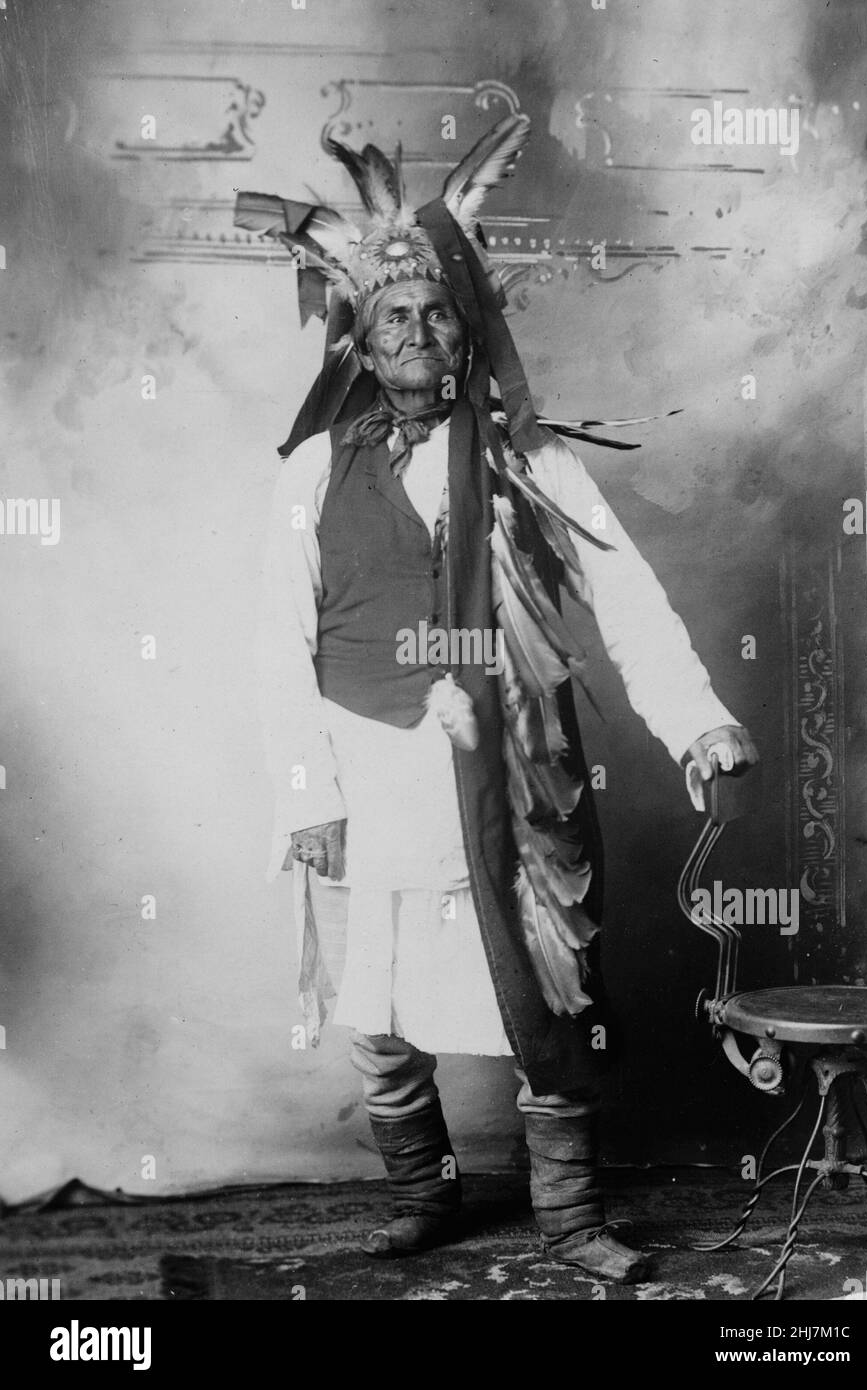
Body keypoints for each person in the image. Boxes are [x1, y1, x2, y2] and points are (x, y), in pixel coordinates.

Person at [240, 114, 758, 1284]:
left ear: (468, 335)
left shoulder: (536, 461)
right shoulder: (310, 476)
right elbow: (275, 646)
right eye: (394, 318)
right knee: (375, 1010)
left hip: (517, 772)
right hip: (368, 770)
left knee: (547, 998)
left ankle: (572, 1222)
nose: (418, 331)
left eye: (437, 313)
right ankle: (425, 1195)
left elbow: (629, 601)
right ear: (361, 346)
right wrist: (304, 794)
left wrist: (701, 718)